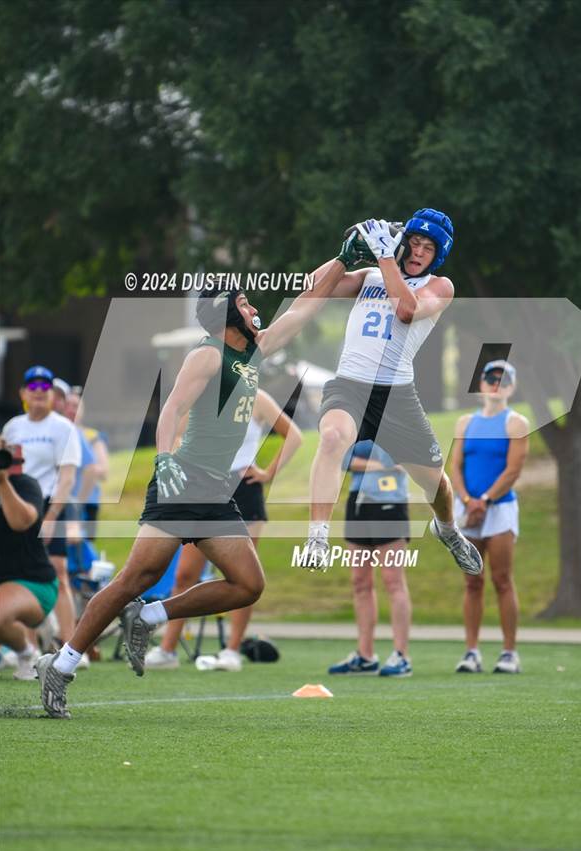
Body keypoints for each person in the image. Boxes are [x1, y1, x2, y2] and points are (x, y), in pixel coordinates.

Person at [34, 254, 347, 719]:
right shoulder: (208, 353)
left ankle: (151, 616)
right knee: (132, 579)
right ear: (225, 315)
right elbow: (172, 409)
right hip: (184, 483)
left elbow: (305, 305)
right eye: (241, 301)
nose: (251, 305)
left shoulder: (252, 351)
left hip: (216, 492)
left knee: (248, 584)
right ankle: (60, 664)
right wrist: (162, 459)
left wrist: (344, 258)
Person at [301, 212, 483, 577]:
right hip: (350, 385)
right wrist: (345, 256)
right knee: (334, 437)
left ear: (438, 255)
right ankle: (317, 537)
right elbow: (312, 288)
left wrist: (385, 258)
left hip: (396, 395)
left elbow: (406, 310)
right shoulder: (370, 276)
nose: (418, 252)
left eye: (428, 248)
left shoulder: (440, 285)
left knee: (436, 481)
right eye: (414, 242)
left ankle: (447, 530)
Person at [145, 388, 302, 671]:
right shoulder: (201, 395)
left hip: (244, 488)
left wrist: (268, 473)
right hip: (206, 486)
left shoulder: (257, 398)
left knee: (243, 577)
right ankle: (168, 649)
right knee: (185, 574)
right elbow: (177, 434)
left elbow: (294, 435)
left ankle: (231, 651)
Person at [450, 360, 530, 674]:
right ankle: (471, 652)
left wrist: (484, 500)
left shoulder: (516, 423)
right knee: (472, 581)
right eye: (490, 379)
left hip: (500, 510)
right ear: (482, 385)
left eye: (502, 380)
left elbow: (514, 469)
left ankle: (509, 652)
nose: (495, 384)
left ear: (510, 387)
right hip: (468, 508)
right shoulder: (465, 422)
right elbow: (454, 466)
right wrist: (468, 501)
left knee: (501, 579)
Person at [2, 367, 81, 644]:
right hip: (18, 502)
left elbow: (67, 476)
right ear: (23, 393)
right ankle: (29, 645)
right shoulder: (13, 427)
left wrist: (51, 516)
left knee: (58, 572)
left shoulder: (62, 427)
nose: (38, 393)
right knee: (21, 572)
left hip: (49, 502)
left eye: (44, 388)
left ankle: (71, 645)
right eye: (32, 388)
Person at [328, 441, 413, 677]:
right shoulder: (354, 422)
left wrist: (369, 463)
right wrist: (377, 465)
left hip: (391, 503)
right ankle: (365, 656)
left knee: (393, 580)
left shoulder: (400, 419)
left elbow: (400, 462)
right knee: (360, 582)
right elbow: (343, 460)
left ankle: (401, 655)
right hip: (358, 503)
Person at [0, 437, 59, 681]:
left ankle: (27, 652)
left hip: (33, 582)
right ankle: (24, 647)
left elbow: (21, 522)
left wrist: (2, 483)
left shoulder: (25, 485)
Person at [64, 389, 109, 542]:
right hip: (62, 499)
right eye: (67, 405)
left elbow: (103, 471)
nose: (70, 410)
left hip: (87, 503)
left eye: (75, 406)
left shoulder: (91, 436)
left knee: (83, 548)